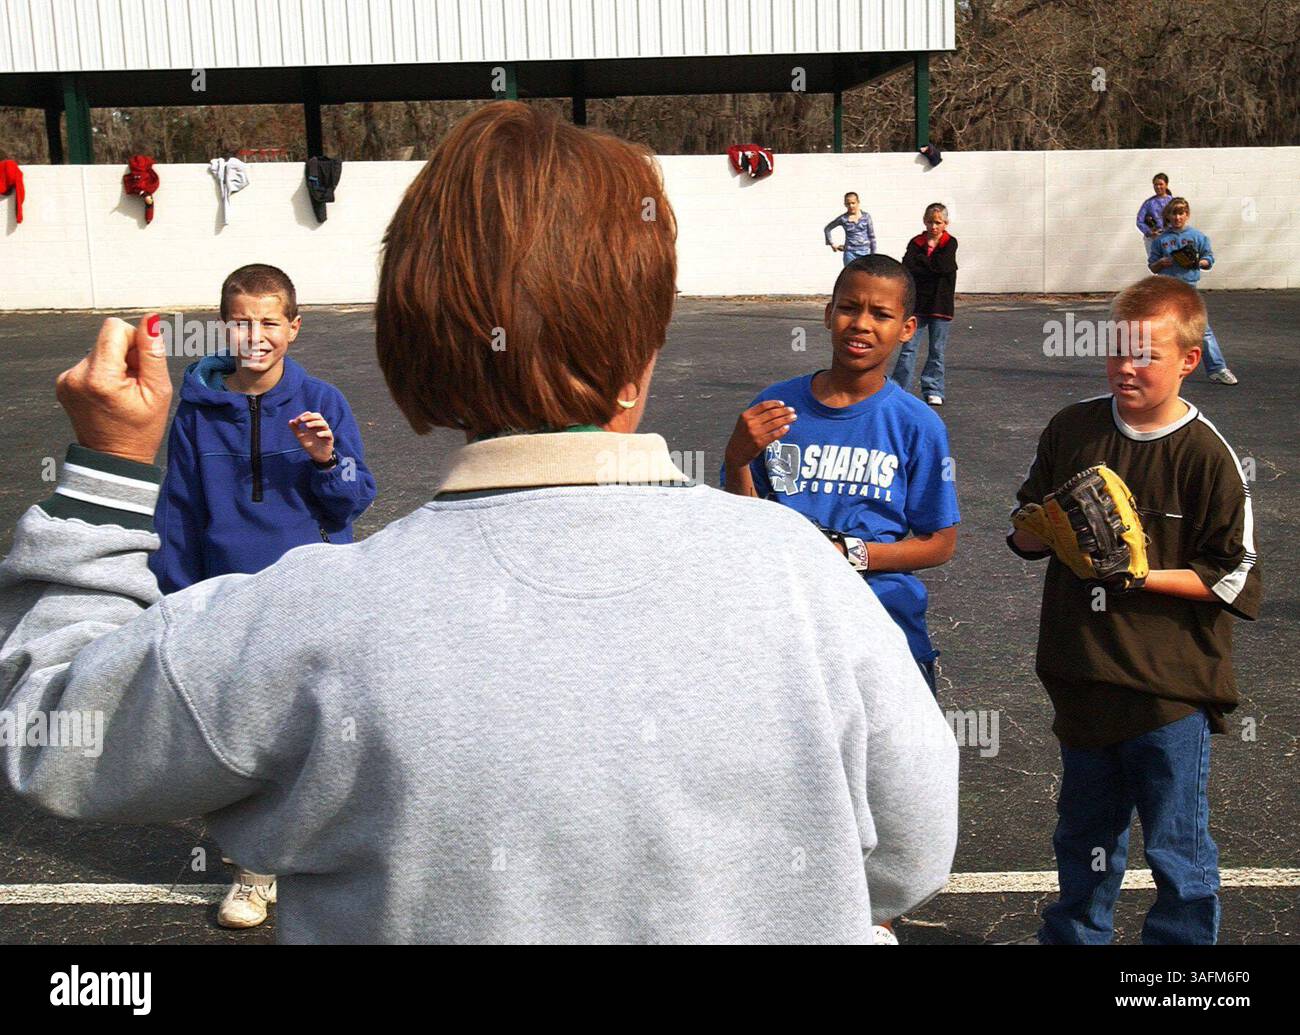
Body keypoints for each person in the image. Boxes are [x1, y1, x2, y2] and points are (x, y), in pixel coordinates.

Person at [0, 101, 958, 944]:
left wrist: (109, 466)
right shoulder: (799, 577)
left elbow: (52, 733)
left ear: (410, 342)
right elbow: (911, 854)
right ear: (649, 343)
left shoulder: (307, 619)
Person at [1008, 276, 1261, 945]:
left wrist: (1141, 573)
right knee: (1084, 839)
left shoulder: (1206, 456)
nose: (1126, 366)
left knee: (1177, 849)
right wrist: (1043, 528)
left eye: (1146, 354)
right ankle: (1075, 937)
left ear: (1189, 358)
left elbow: (1231, 576)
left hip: (1166, 692)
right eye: (1118, 349)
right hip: (1083, 675)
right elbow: (1026, 524)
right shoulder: (1074, 428)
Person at [148, 263, 377, 928]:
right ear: (224, 326)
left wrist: (326, 460)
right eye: (242, 321)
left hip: (309, 594)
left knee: (316, 735)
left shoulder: (322, 401)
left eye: (269, 321)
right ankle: (254, 871)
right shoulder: (196, 409)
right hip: (228, 597)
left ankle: (321, 855)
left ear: (293, 327)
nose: (256, 335)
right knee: (244, 740)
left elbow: (356, 496)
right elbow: (180, 507)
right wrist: (177, 598)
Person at [722, 254, 961, 698]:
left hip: (886, 629)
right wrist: (737, 459)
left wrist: (851, 553)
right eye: (850, 308)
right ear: (829, 313)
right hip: (791, 631)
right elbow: (744, 524)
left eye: (882, 314)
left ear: (907, 329)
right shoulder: (776, 407)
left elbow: (940, 543)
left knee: (897, 767)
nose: (862, 324)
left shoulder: (918, 424)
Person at [1147, 197, 1237, 384]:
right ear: (1168, 216)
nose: (1178, 217)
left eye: (1181, 213)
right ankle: (1157, 368)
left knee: (1202, 329)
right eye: (1174, 213)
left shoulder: (1198, 237)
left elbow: (1208, 260)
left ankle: (1217, 368)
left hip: (1188, 289)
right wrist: (1161, 263)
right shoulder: (1161, 240)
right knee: (1162, 329)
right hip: (1167, 290)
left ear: (1187, 215)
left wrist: (1197, 262)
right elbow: (1152, 267)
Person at [893, 203, 959, 406]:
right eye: (930, 221)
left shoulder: (950, 243)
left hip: (940, 305)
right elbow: (907, 267)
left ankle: (933, 389)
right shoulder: (916, 242)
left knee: (937, 350)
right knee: (908, 349)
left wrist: (922, 264)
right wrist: (927, 265)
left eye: (938, 222)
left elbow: (944, 266)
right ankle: (899, 389)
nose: (934, 226)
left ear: (945, 223)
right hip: (917, 305)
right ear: (924, 221)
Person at [824, 192, 877, 265]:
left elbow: (872, 236)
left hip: (865, 252)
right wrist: (832, 244)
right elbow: (827, 228)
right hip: (850, 254)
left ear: (858, 202)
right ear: (845, 204)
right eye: (848, 203)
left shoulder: (866, 217)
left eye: (853, 203)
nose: (851, 206)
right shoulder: (843, 219)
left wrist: (873, 255)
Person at [1136, 173, 1174, 250]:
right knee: (1155, 261)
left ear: (1166, 185)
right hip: (1153, 239)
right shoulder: (1148, 203)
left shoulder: (1173, 202)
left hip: (1170, 238)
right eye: (1156, 184)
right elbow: (1139, 221)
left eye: (1161, 184)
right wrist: (1150, 232)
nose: (1158, 187)